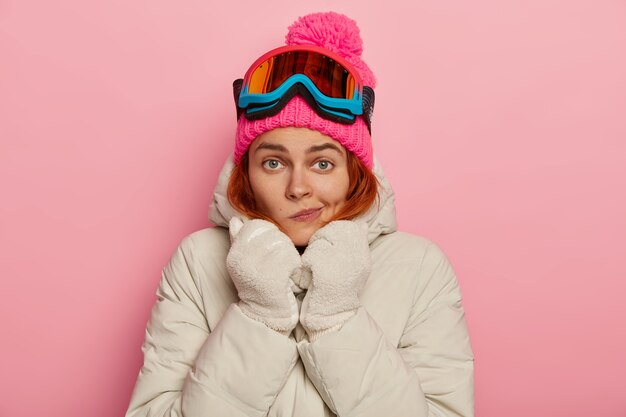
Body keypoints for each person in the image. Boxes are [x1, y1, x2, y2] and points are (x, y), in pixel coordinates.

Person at [126, 11, 474, 417]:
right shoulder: (197, 261)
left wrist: (337, 317)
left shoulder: (420, 267)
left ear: (353, 172)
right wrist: (260, 316)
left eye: (322, 163)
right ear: (247, 174)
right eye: (273, 163)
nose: (297, 187)